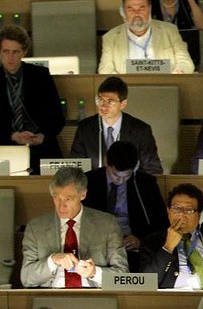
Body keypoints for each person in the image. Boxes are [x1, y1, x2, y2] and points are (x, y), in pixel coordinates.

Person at [21, 167, 127, 288]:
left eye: (68, 199)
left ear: (83, 195)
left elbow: (123, 277)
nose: (61, 206)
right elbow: (26, 278)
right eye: (56, 197)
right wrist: (52, 261)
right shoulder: (36, 227)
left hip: (93, 293)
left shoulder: (107, 224)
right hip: (51, 294)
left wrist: (94, 273)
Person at [82, 141, 167, 267]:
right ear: (106, 162)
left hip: (132, 245)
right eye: (115, 175)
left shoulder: (146, 184)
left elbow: (161, 224)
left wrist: (141, 240)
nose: (120, 181)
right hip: (98, 244)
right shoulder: (88, 181)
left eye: (126, 176)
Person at [0, 25, 64, 171]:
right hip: (5, 146)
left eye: (15, 52)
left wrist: (42, 136)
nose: (10, 57)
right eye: (6, 51)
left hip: (40, 145)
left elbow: (57, 118)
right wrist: (13, 136)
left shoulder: (40, 75)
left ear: (24, 52)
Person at [70, 77, 162, 175]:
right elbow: (76, 167)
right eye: (101, 100)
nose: (103, 106)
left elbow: (152, 169)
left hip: (129, 183)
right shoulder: (85, 128)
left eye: (110, 102)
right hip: (94, 183)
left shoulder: (140, 130)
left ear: (123, 104)